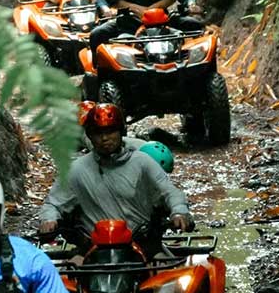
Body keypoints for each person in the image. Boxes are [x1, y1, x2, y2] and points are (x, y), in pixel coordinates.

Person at [39, 103, 191, 254]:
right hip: (94, 251)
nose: (104, 138)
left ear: (120, 132)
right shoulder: (76, 170)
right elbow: (53, 203)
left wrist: (178, 212)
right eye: (98, 133)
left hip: (142, 246)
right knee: (65, 274)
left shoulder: (143, 162)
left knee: (172, 274)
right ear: (90, 136)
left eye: (110, 131)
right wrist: (49, 220)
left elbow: (169, 192)